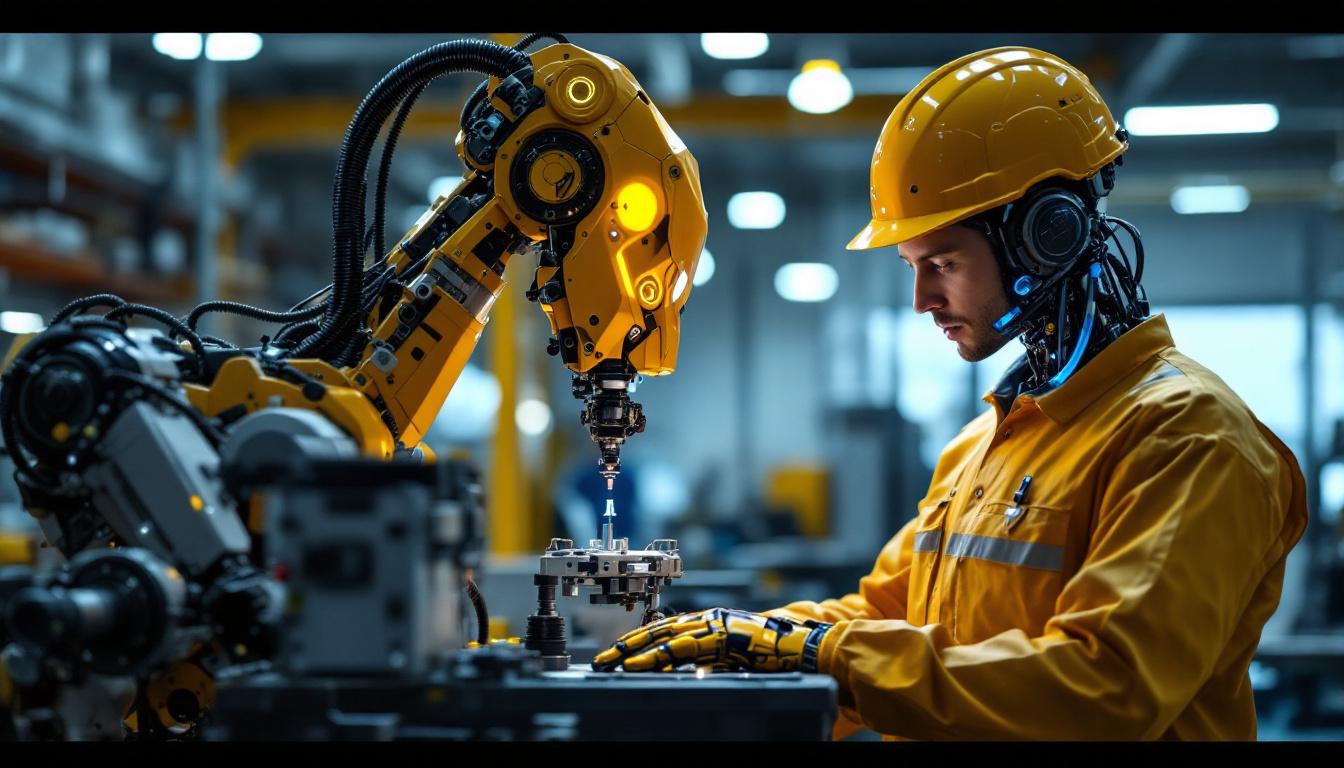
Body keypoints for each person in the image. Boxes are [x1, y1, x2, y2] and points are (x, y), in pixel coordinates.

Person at [593, 46, 1308, 740]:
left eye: (942, 262)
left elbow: (1107, 688)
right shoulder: (986, 442)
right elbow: (883, 619)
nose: (922, 300)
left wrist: (815, 656)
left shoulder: (1188, 437)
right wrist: (738, 646)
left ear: (1047, 234)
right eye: (913, 266)